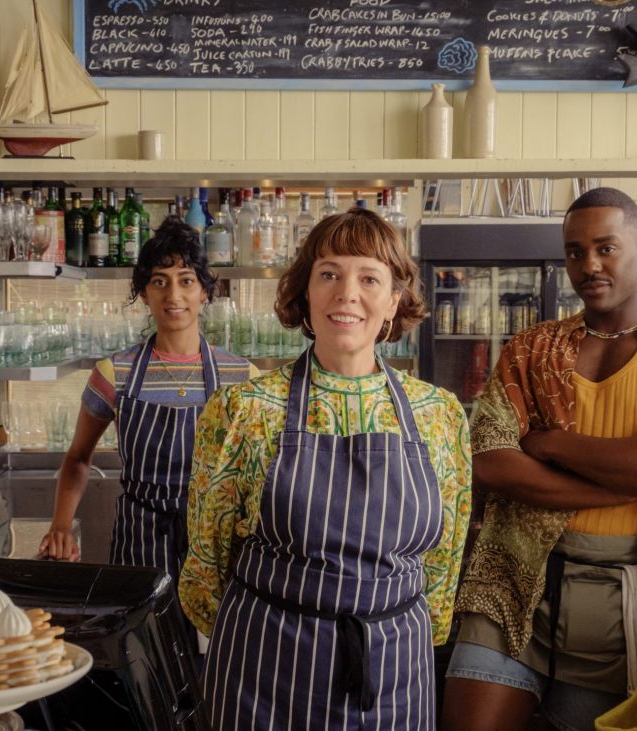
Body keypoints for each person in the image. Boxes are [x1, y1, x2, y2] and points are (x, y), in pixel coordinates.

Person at [441, 187, 637, 731]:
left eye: (605, 248)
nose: (589, 265)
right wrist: (628, 480)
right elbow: (490, 460)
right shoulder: (531, 348)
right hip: (511, 578)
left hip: (621, 602)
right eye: (575, 252)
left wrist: (548, 444)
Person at [180, 207, 472, 730]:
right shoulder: (243, 411)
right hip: (265, 666)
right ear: (306, 292)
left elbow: (443, 568)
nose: (347, 293)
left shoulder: (440, 415)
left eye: (369, 278)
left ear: (394, 300)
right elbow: (206, 565)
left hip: (394, 666)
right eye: (329, 274)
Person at [38, 218, 253, 575]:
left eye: (186, 280)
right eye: (160, 282)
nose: (174, 295)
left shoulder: (242, 376)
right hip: (140, 545)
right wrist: (61, 525)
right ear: (143, 293)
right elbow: (77, 458)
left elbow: (261, 472)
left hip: (216, 546)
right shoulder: (114, 373)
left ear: (204, 291)